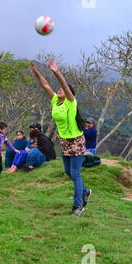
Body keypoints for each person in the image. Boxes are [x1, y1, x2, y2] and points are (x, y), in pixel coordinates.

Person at [30, 60, 92, 216]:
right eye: (58, 89)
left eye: (62, 89)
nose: (59, 90)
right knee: (68, 172)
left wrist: (56, 72)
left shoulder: (71, 103)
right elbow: (45, 85)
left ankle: (78, 206)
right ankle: (85, 191)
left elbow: (64, 85)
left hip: (76, 141)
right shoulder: (55, 101)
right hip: (64, 141)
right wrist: (35, 70)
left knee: (76, 174)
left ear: (69, 93)